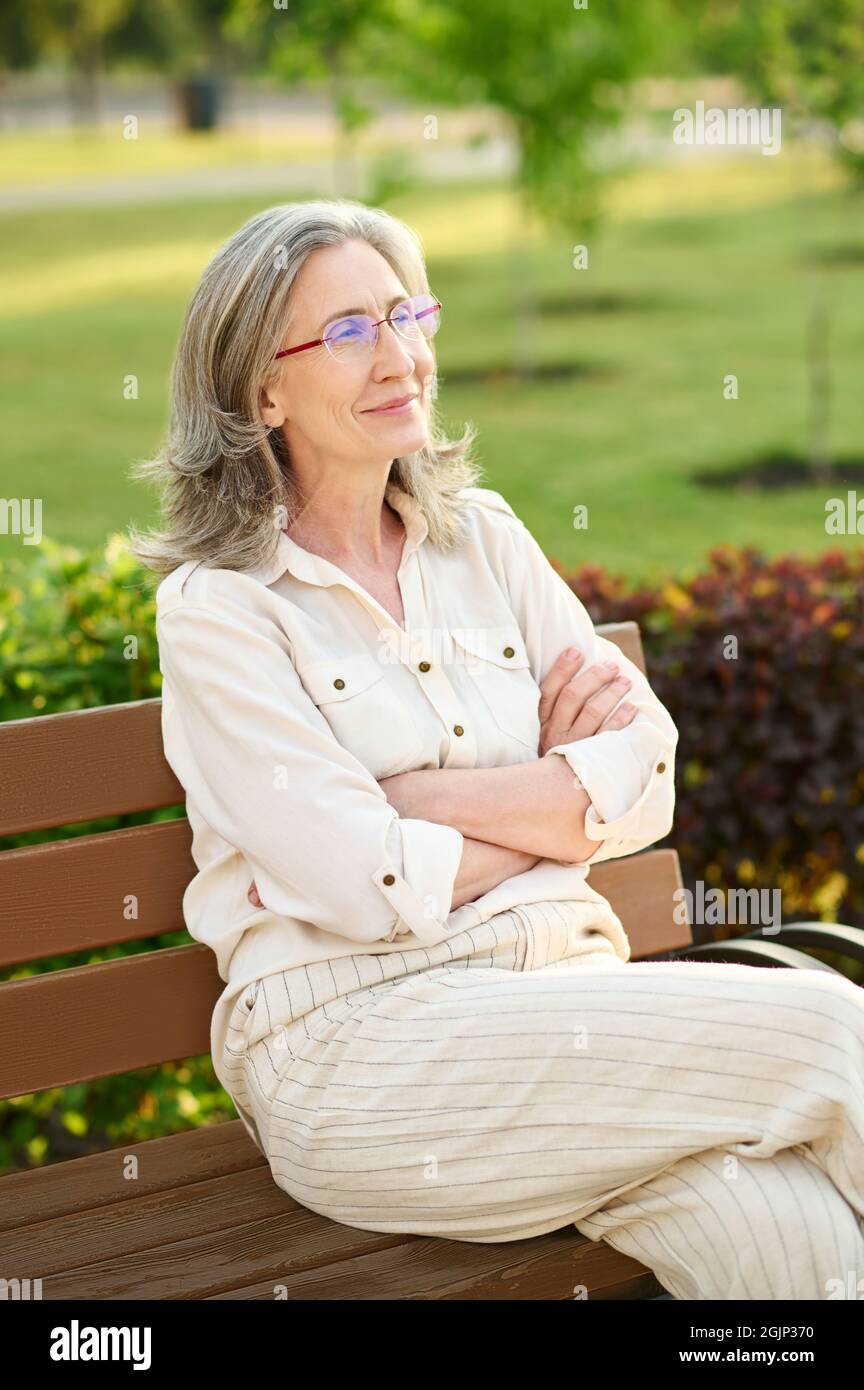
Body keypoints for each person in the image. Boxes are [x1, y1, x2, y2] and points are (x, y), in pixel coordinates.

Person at [128, 199, 864, 1300]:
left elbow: (646, 778)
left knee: (789, 1242)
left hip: (565, 1006)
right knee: (834, 1028)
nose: (401, 356)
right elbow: (363, 883)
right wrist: (557, 808)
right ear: (260, 391)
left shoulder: (485, 537)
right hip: (364, 1053)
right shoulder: (222, 611)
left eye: (405, 313)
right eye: (349, 333)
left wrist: (420, 796)